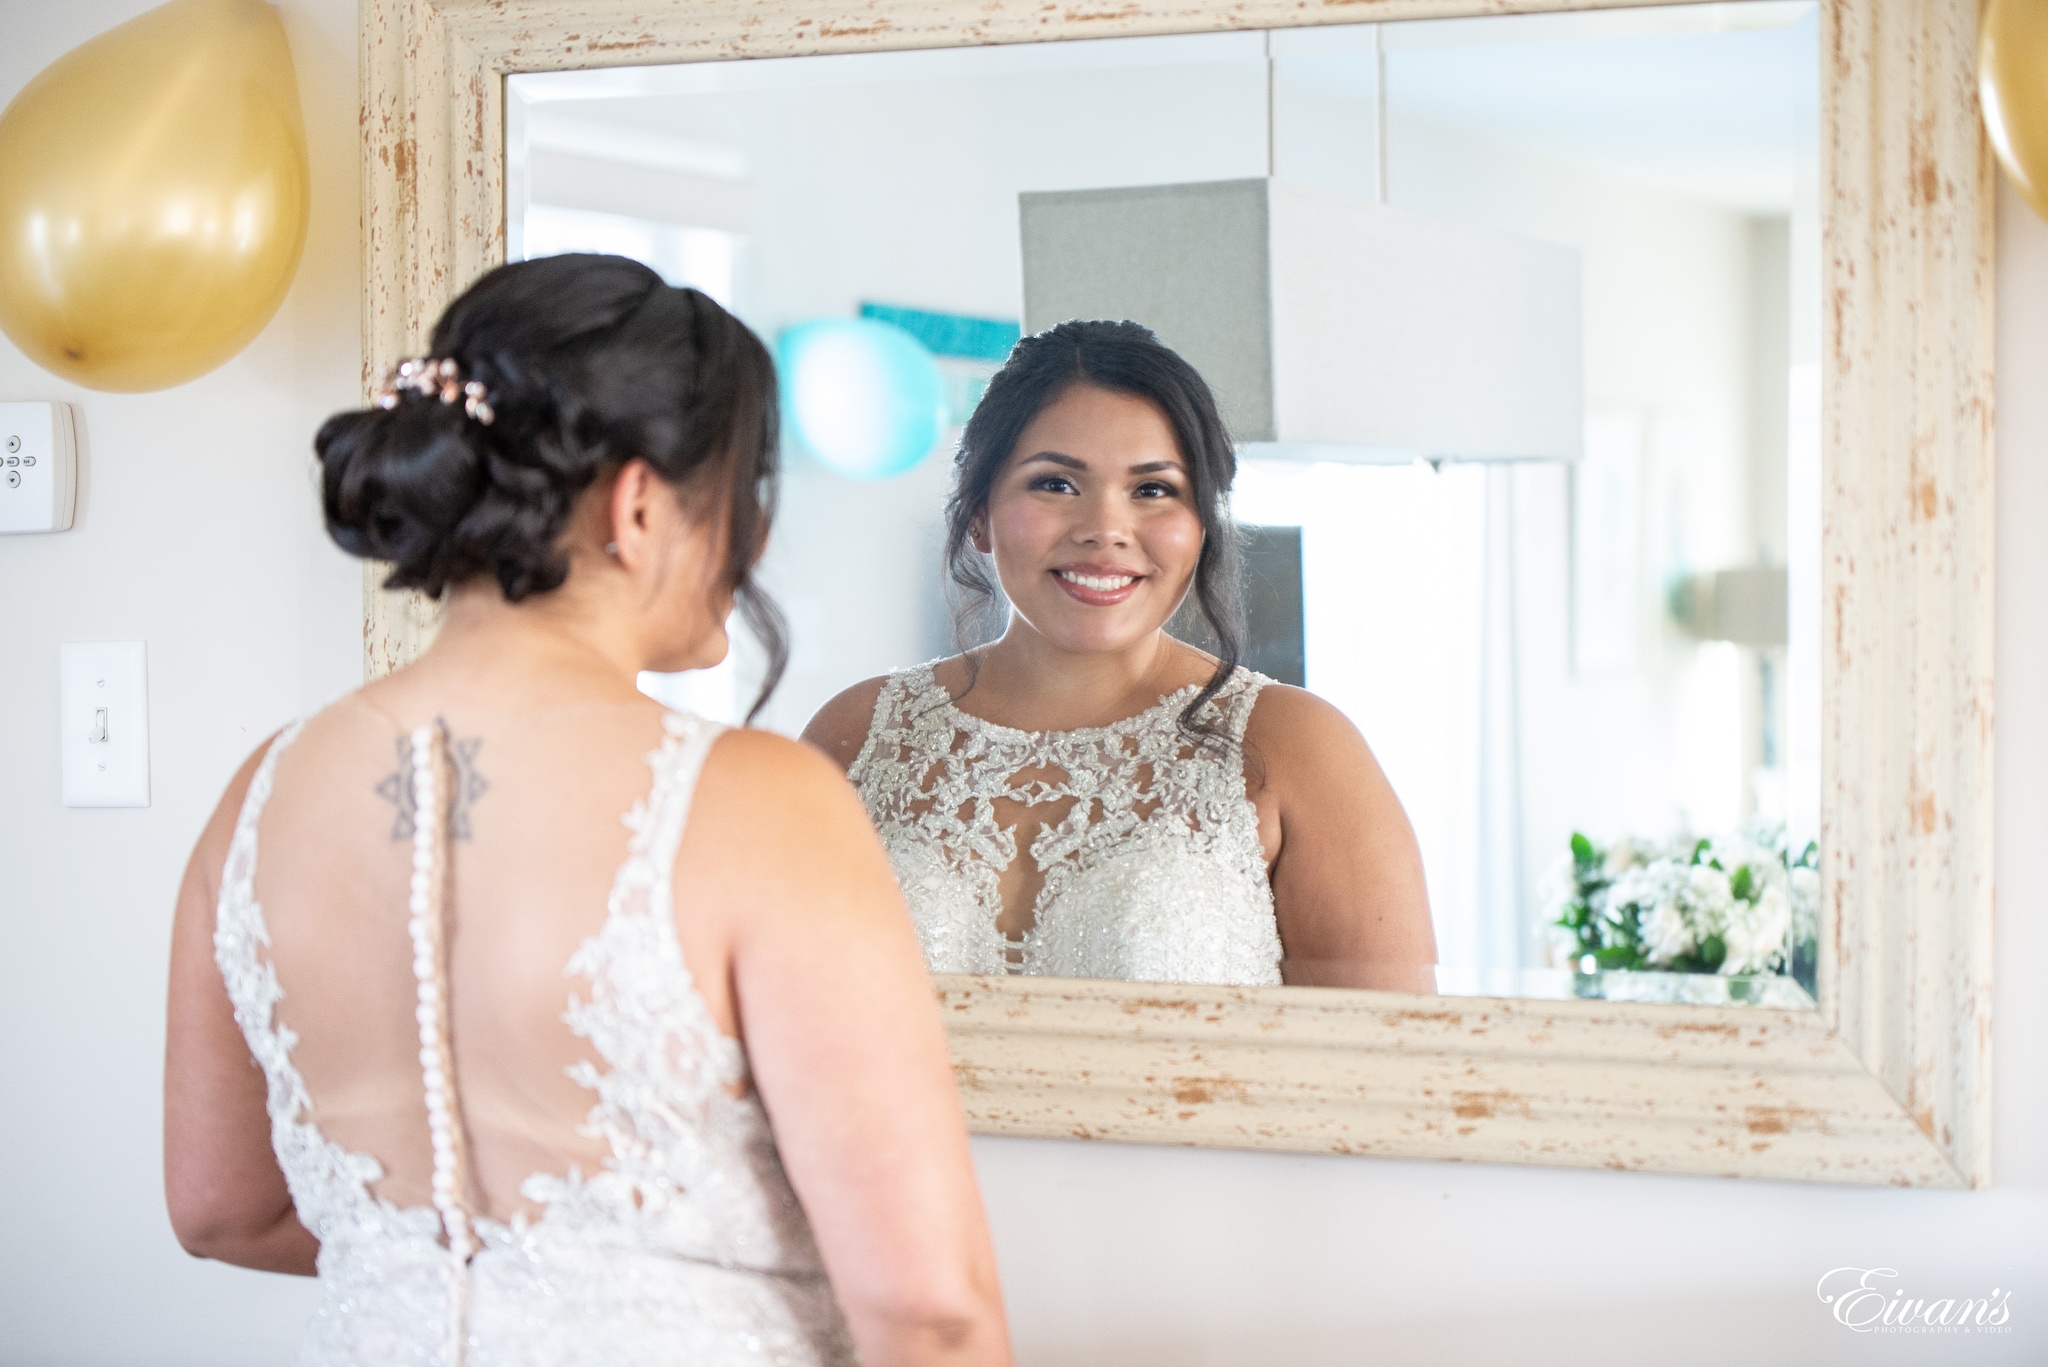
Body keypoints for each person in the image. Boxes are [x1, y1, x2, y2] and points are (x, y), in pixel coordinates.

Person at [163, 254, 1010, 1366]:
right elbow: (928, 1310)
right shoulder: (756, 802)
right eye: (744, 494)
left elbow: (219, 1206)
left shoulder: (260, 795)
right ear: (640, 503)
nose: (752, 545)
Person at [804, 319, 1436, 991]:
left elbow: (1392, 1068)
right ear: (979, 513)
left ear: (1201, 526)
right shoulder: (856, 733)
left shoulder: (1299, 746)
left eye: (1153, 489)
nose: (1105, 530)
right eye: (1056, 484)